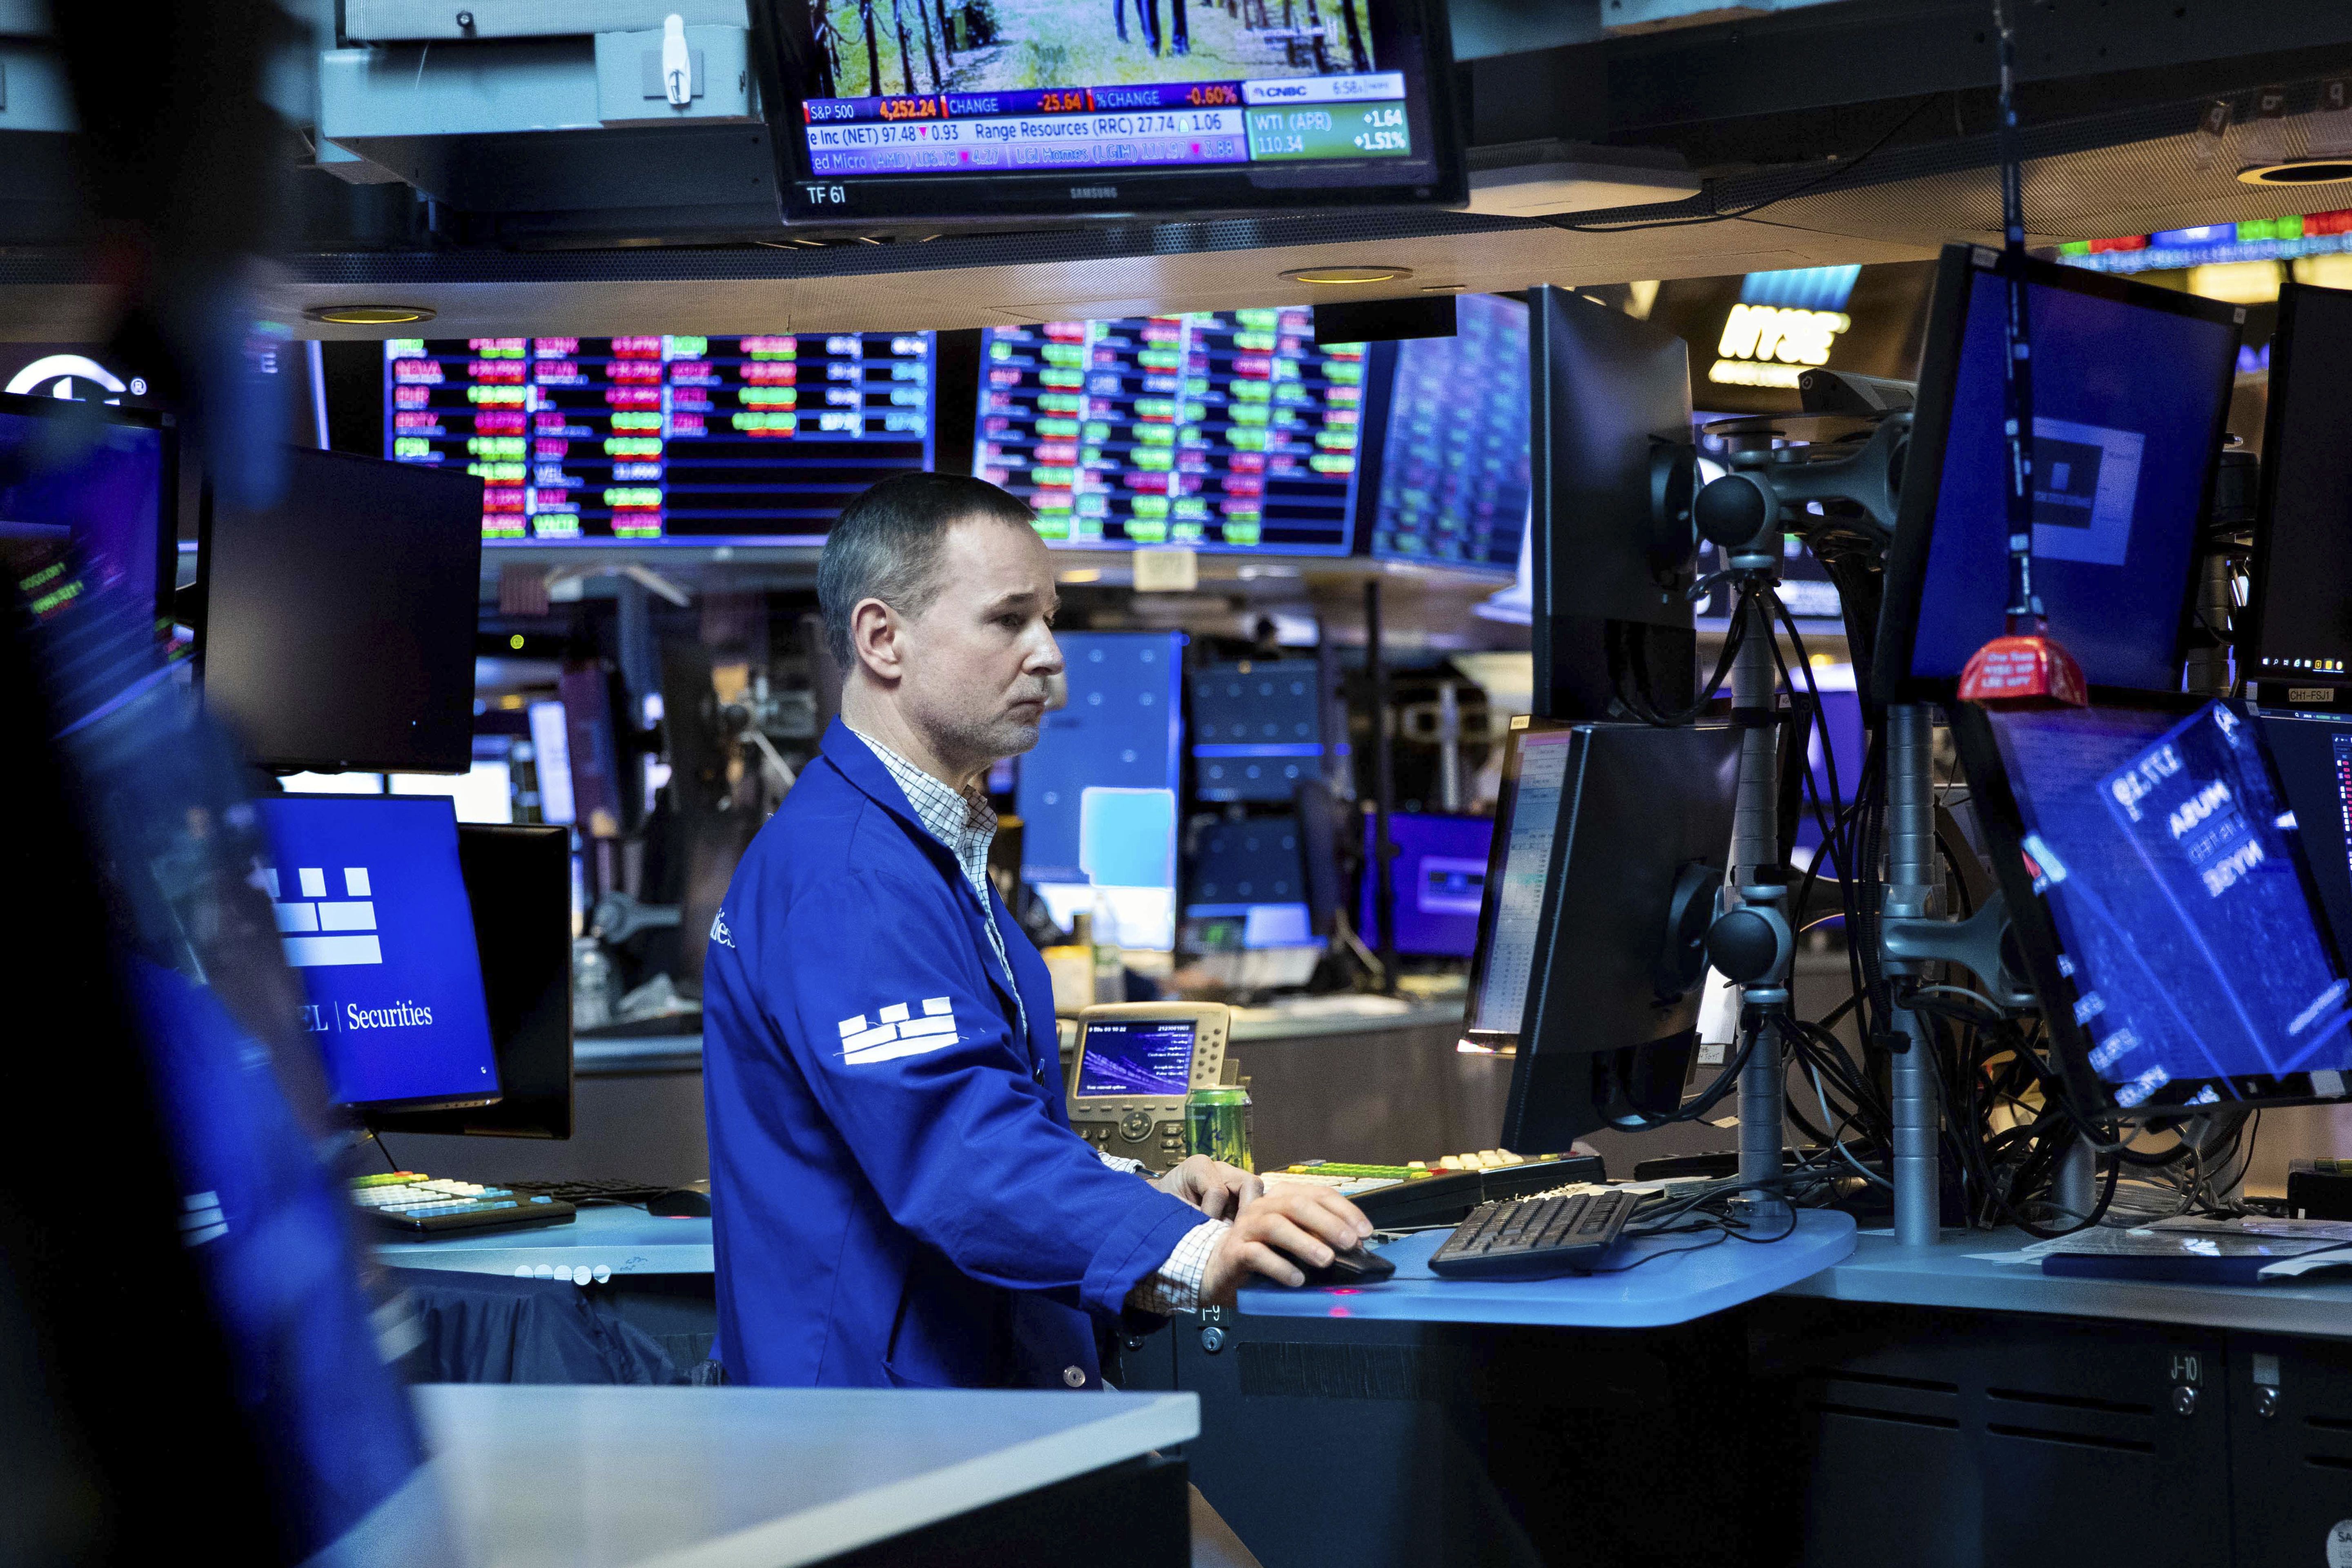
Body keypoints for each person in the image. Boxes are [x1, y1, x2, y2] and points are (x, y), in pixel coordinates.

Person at [702, 472, 1372, 1391]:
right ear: (882, 639)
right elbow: (956, 1146)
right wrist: (1191, 1249)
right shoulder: (849, 873)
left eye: (1048, 618)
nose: (1050, 655)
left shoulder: (921, 848)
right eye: (1009, 619)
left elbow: (994, 1110)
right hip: (877, 1440)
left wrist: (1135, 1197)